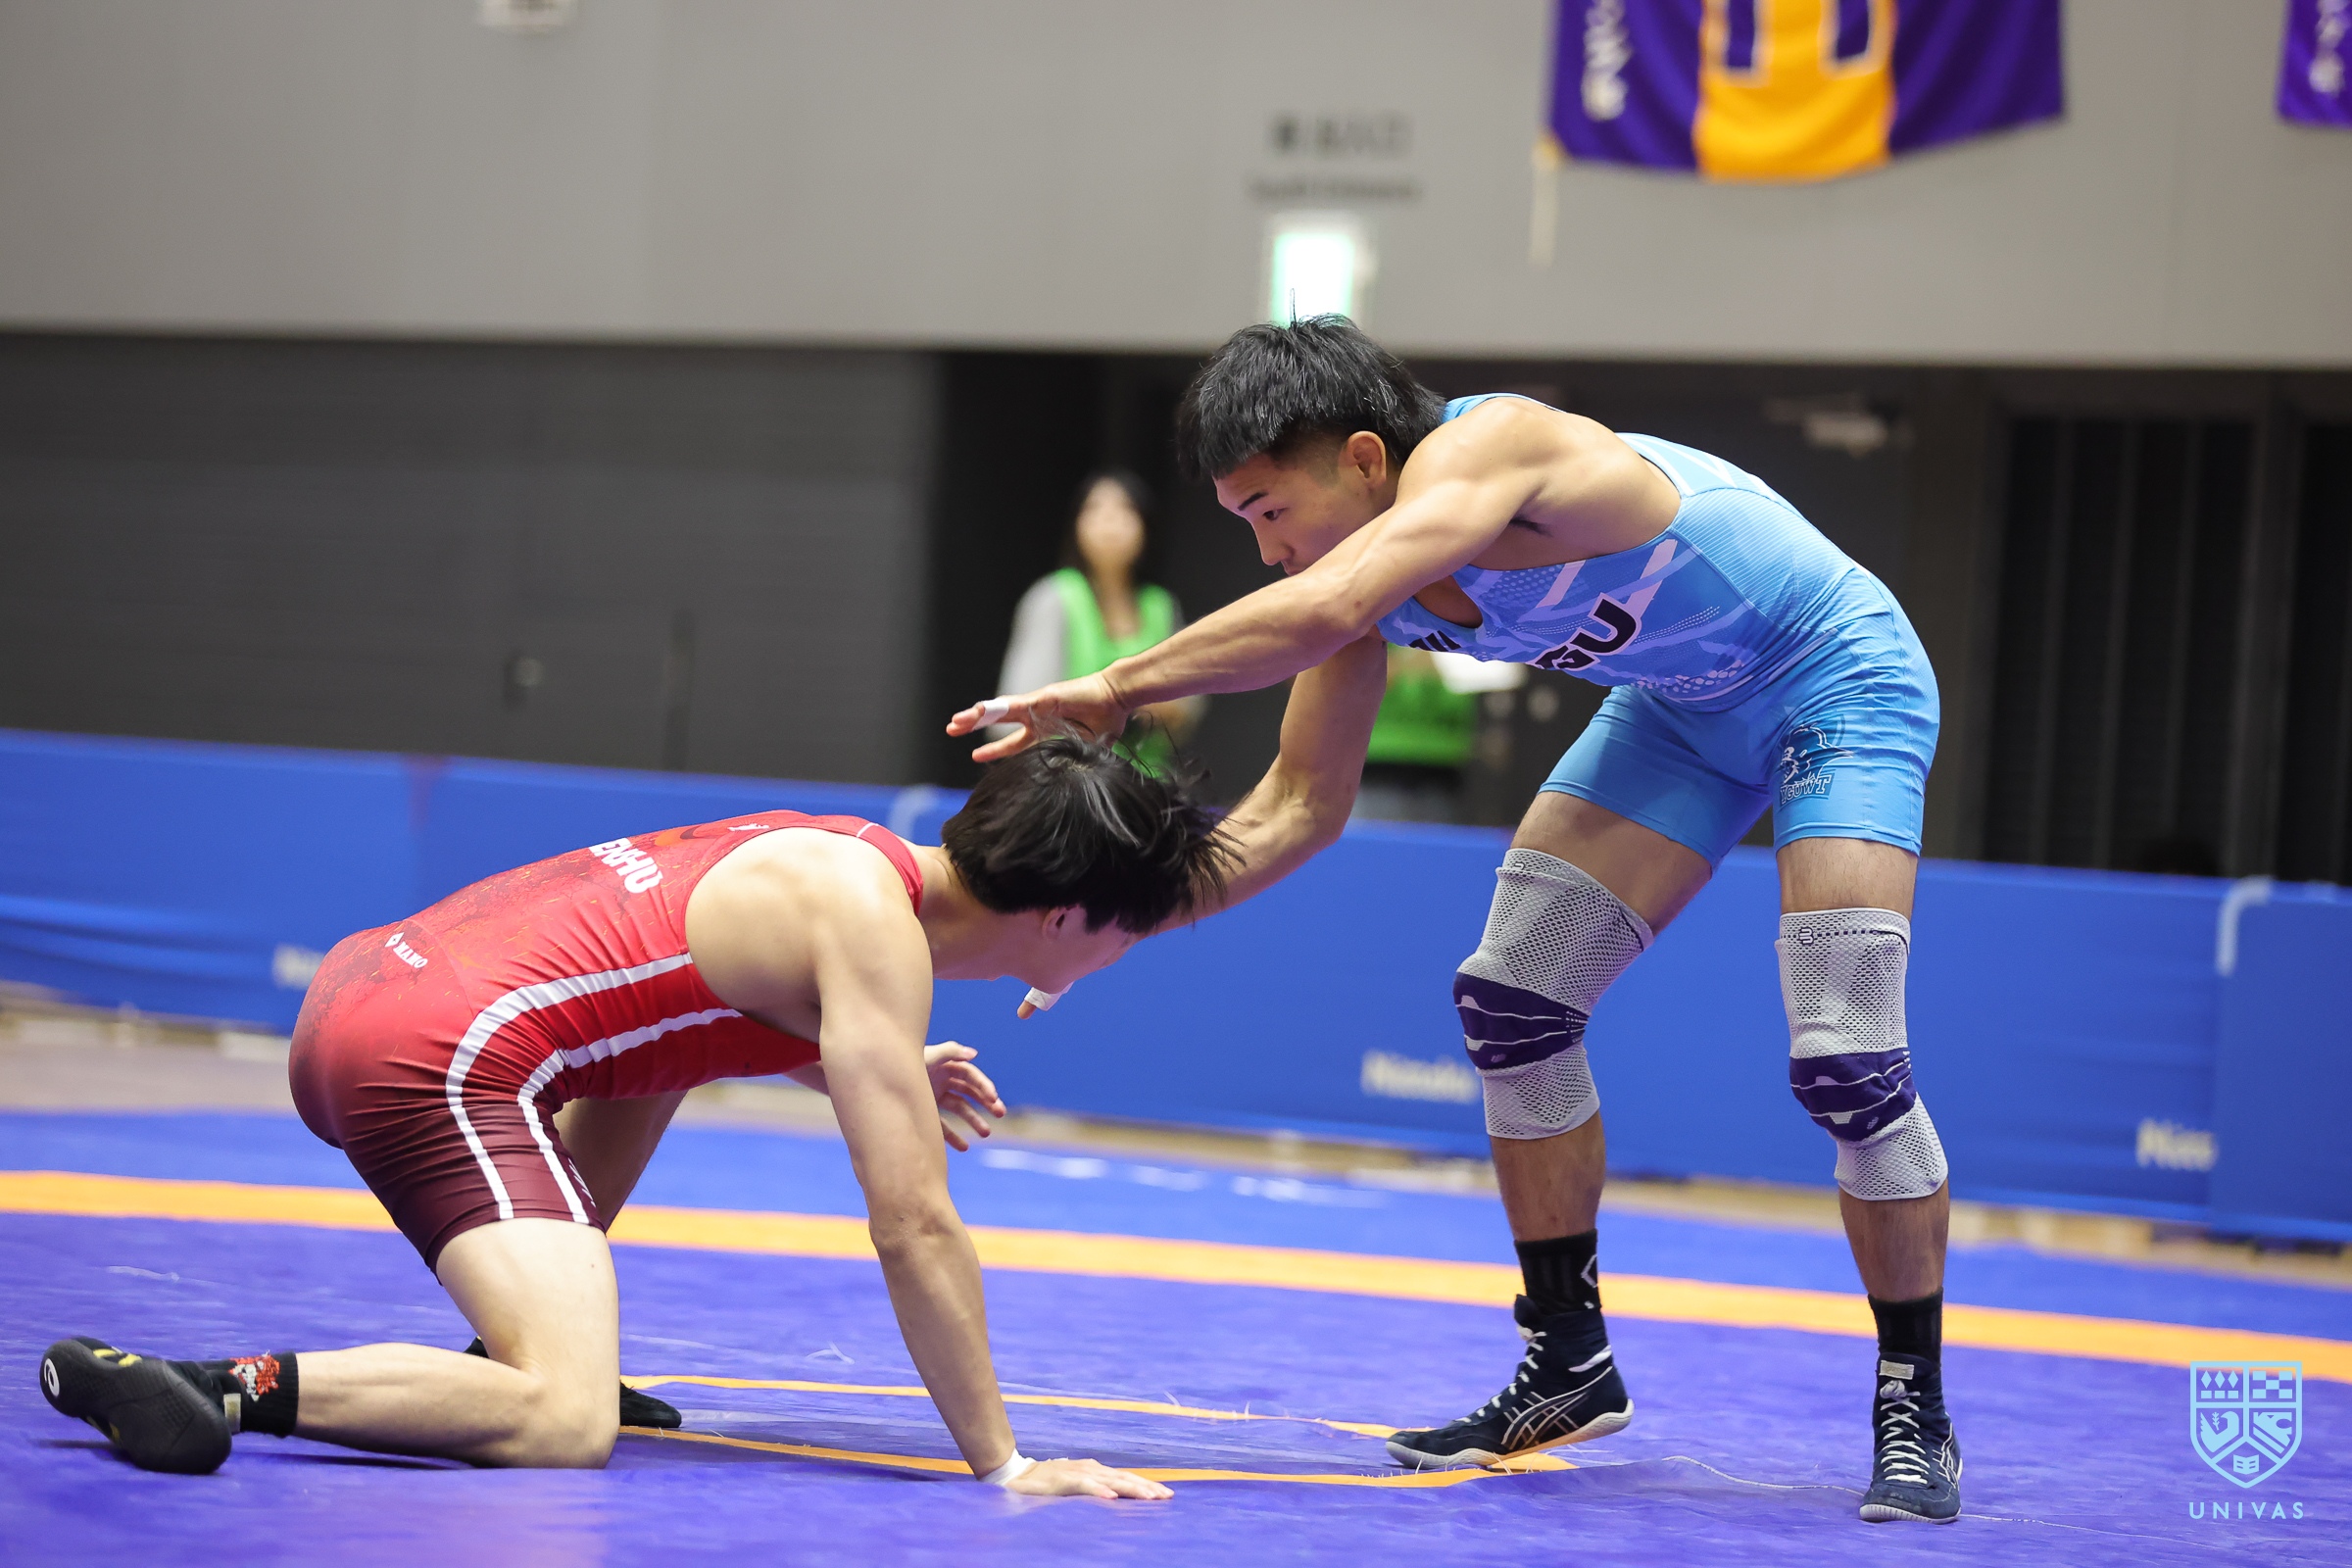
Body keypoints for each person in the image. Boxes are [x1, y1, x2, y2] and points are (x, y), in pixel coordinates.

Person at [950, 318, 1958, 1524]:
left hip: (1835, 677)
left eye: (1270, 510)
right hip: (1681, 714)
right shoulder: (1353, 591)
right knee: (1514, 1001)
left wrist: (1118, 684)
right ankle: (1568, 1358)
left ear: (1364, 458)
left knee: (1847, 1058)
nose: (1267, 550)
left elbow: (1326, 599)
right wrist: (1117, 921)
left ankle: (1915, 1402)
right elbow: (1296, 808)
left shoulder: (1496, 447)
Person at [40, 644, 1383, 1494]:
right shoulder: (874, 933)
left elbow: (675, 989)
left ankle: (505, 1349)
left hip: (365, 993)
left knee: (662, 1060)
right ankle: (217, 1384)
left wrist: (880, 1060)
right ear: (1071, 915)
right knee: (566, 1421)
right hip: (430, 1057)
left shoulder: (844, 860)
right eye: (1130, 932)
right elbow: (913, 1223)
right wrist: (1006, 1459)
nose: (1126, 952)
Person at [993, 470, 1203, 774]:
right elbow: (1017, 713)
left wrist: (1161, 709)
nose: (1110, 522)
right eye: (1096, 510)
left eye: (1124, 510)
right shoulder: (1054, 598)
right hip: (1068, 779)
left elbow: (1190, 705)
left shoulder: (1160, 606)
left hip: (1148, 782)